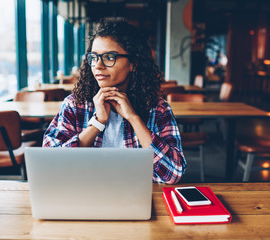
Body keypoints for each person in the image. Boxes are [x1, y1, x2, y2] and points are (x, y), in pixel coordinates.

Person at [43, 18, 187, 184]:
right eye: (94, 57)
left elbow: (174, 173)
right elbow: (50, 166)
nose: (98, 65)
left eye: (109, 57)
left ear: (133, 63)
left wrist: (133, 118)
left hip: (136, 197)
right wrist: (97, 123)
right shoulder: (76, 104)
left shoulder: (158, 109)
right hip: (84, 194)